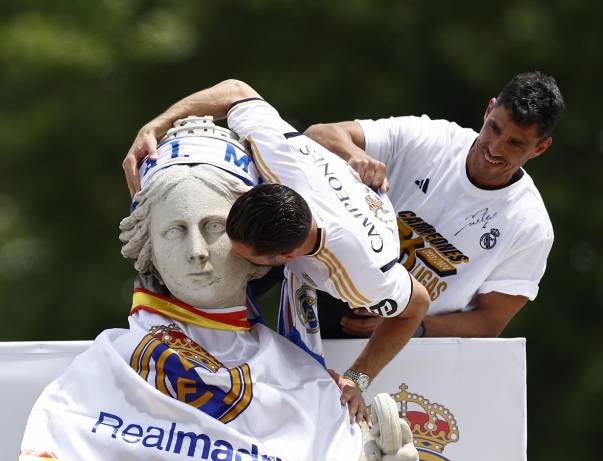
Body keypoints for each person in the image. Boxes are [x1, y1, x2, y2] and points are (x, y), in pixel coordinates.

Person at [0, 124, 459, 461]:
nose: (196, 251)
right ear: (149, 250)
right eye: (173, 231)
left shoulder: (310, 383)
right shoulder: (109, 367)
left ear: (259, 253)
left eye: (213, 228)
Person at [123, 80, 430, 419]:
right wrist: (154, 126)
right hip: (323, 189)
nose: (204, 251)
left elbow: (417, 305)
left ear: (284, 259)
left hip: (370, 247)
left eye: (243, 253)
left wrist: (358, 378)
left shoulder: (362, 277)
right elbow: (236, 90)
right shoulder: (279, 158)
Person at [303, 71, 563, 338]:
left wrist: (410, 323)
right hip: (320, 290)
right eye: (494, 128)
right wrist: (356, 155)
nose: (495, 148)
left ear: (540, 148)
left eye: (515, 144)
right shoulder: (428, 139)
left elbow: (488, 321)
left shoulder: (531, 226)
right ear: (488, 110)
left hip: (404, 346)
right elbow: (318, 134)